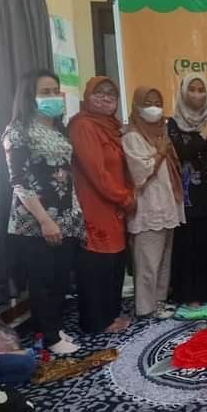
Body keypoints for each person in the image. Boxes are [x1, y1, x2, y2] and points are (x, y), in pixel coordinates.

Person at [2, 69, 83, 354]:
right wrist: (45, 220)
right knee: (43, 280)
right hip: (36, 221)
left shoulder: (58, 129)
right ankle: (49, 337)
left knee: (61, 278)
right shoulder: (17, 131)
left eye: (55, 91)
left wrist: (75, 215)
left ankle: (55, 328)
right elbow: (19, 182)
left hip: (66, 217)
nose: (53, 96)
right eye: (45, 92)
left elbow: (66, 175)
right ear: (29, 96)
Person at [69, 77, 133, 334]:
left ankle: (109, 314)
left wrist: (124, 197)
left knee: (113, 264)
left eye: (111, 93)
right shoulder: (83, 125)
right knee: (96, 265)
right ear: (87, 95)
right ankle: (96, 321)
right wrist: (124, 197)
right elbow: (96, 172)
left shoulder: (112, 127)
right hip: (95, 205)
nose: (106, 97)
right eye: (99, 92)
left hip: (114, 207)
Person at [168, 73, 207, 308]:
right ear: (183, 92)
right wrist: (204, 133)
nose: (197, 94)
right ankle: (191, 293)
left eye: (201, 89)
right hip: (187, 197)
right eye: (192, 89)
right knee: (190, 245)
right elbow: (181, 154)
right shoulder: (173, 124)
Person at [122, 86, 185, 318]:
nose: (153, 108)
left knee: (164, 259)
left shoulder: (162, 133)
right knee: (147, 261)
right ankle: (145, 307)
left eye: (157, 104)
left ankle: (158, 301)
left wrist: (162, 149)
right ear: (136, 106)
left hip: (167, 205)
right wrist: (159, 153)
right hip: (148, 208)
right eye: (147, 103)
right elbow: (139, 173)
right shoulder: (131, 137)